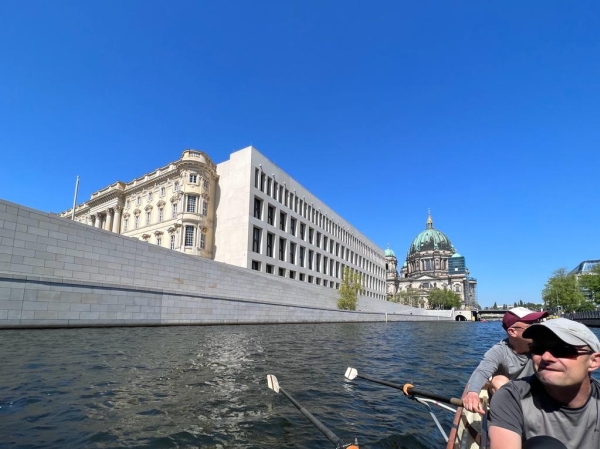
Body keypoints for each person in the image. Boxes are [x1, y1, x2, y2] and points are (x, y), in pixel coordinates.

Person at [489, 318, 600, 449]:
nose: (546, 357)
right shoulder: (512, 397)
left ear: (593, 362)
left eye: (562, 349)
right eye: (538, 348)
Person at [462, 307, 548, 414]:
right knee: (498, 380)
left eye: (539, 324)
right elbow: (481, 372)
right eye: (532, 326)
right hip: (511, 399)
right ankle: (514, 417)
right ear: (512, 332)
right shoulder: (499, 351)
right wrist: (473, 393)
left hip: (534, 394)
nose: (539, 329)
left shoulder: (546, 348)